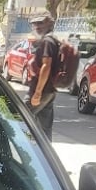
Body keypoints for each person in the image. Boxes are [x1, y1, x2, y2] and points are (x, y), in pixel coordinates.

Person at [26, 11, 59, 141]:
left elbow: (46, 66)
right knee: (45, 129)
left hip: (42, 90)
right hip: (49, 90)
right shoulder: (52, 40)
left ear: (49, 24)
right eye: (35, 24)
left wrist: (38, 92)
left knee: (18, 119)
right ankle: (46, 157)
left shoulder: (47, 42)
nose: (37, 27)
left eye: (41, 23)